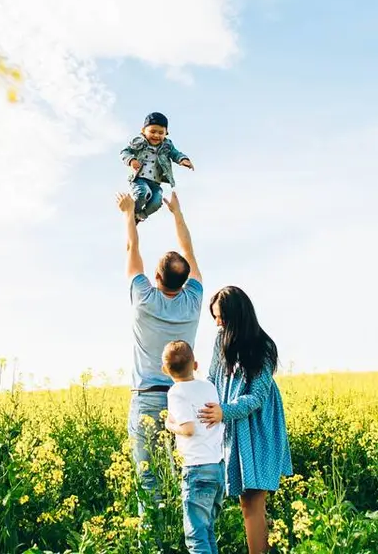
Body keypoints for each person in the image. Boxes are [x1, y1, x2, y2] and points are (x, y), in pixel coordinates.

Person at [115, 190, 203, 510]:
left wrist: (129, 213)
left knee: (148, 478)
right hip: (184, 397)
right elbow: (188, 251)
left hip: (147, 397)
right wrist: (177, 214)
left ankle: (152, 535)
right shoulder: (193, 300)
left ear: (155, 277)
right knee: (184, 474)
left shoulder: (143, 297)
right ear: (185, 279)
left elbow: (132, 248)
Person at [197, 286, 293, 554]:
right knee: (250, 503)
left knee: (251, 502)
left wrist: (223, 412)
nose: (218, 323)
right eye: (215, 317)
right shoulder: (221, 340)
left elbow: (257, 397)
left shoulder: (263, 346)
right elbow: (212, 377)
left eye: (221, 317)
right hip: (234, 425)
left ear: (236, 315)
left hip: (259, 427)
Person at [162, 340, 225, 554]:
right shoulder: (209, 387)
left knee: (196, 539)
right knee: (207, 531)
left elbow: (188, 429)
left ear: (165, 370)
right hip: (217, 468)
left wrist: (170, 425)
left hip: (197, 470)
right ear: (195, 365)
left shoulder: (176, 392)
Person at [119, 112, 194, 223]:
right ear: (143, 131)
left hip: (155, 183)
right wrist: (131, 160)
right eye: (152, 131)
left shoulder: (167, 146)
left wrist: (182, 159)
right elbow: (124, 152)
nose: (156, 135)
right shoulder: (139, 142)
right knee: (143, 193)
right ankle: (132, 212)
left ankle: (139, 217)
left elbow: (175, 153)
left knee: (157, 201)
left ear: (166, 133)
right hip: (139, 179)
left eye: (161, 133)